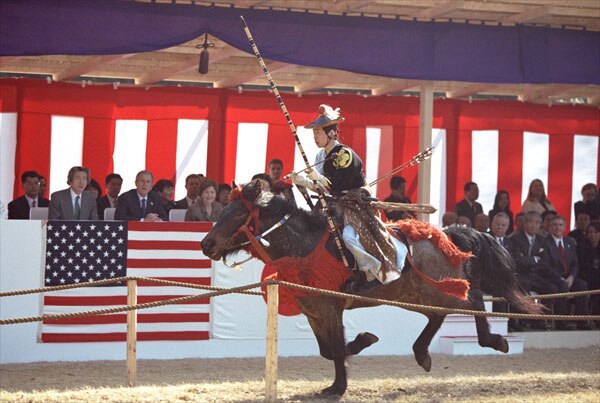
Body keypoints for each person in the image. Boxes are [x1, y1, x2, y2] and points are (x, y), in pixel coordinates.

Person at [290, 104, 406, 290]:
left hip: (355, 205)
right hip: (335, 206)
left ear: (331, 134)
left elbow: (335, 185)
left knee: (350, 237)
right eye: (314, 133)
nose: (315, 137)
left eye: (318, 133)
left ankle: (372, 272)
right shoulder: (321, 155)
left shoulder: (344, 154)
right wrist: (303, 181)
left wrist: (317, 177)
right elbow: (321, 188)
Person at [511, 211, 568, 327]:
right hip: (521, 275)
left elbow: (545, 262)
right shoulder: (516, 238)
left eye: (537, 223)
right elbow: (517, 260)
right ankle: (523, 320)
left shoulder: (542, 240)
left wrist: (528, 259)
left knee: (552, 288)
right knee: (524, 286)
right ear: (525, 223)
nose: (534, 225)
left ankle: (544, 319)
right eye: (531, 222)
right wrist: (535, 259)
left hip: (537, 276)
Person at [546, 215, 590, 329]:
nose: (557, 228)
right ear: (550, 227)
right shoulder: (545, 242)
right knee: (562, 287)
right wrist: (559, 279)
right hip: (554, 279)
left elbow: (575, 264)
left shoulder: (569, 241)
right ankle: (562, 323)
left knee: (582, 285)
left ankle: (582, 322)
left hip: (569, 278)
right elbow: (545, 266)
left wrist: (571, 277)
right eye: (554, 225)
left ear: (565, 227)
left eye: (560, 225)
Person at [577, 222, 600, 318]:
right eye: (590, 232)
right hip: (586, 277)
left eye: (596, 232)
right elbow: (581, 266)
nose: (593, 234)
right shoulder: (582, 247)